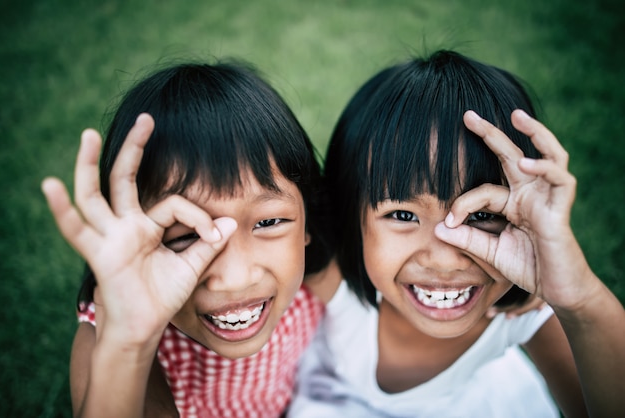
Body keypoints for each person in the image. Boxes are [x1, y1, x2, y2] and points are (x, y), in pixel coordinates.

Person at [288, 50, 625, 417]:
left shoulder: (525, 313)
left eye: (481, 214)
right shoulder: (328, 271)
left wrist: (578, 300)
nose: (445, 259)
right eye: (402, 214)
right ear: (351, 218)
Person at [41, 61, 335, 417]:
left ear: (307, 220)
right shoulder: (113, 341)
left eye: (269, 221)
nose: (236, 278)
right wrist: (131, 342)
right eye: (184, 237)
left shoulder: (321, 278)